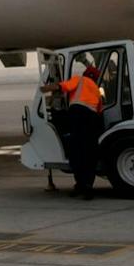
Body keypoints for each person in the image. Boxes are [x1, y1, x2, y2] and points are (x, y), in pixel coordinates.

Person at [50, 63, 104, 199]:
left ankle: (80, 185)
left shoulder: (79, 79)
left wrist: (47, 89)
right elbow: (99, 111)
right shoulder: (97, 90)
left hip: (77, 115)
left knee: (76, 152)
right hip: (91, 120)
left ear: (86, 74)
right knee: (89, 154)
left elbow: (63, 86)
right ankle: (88, 187)